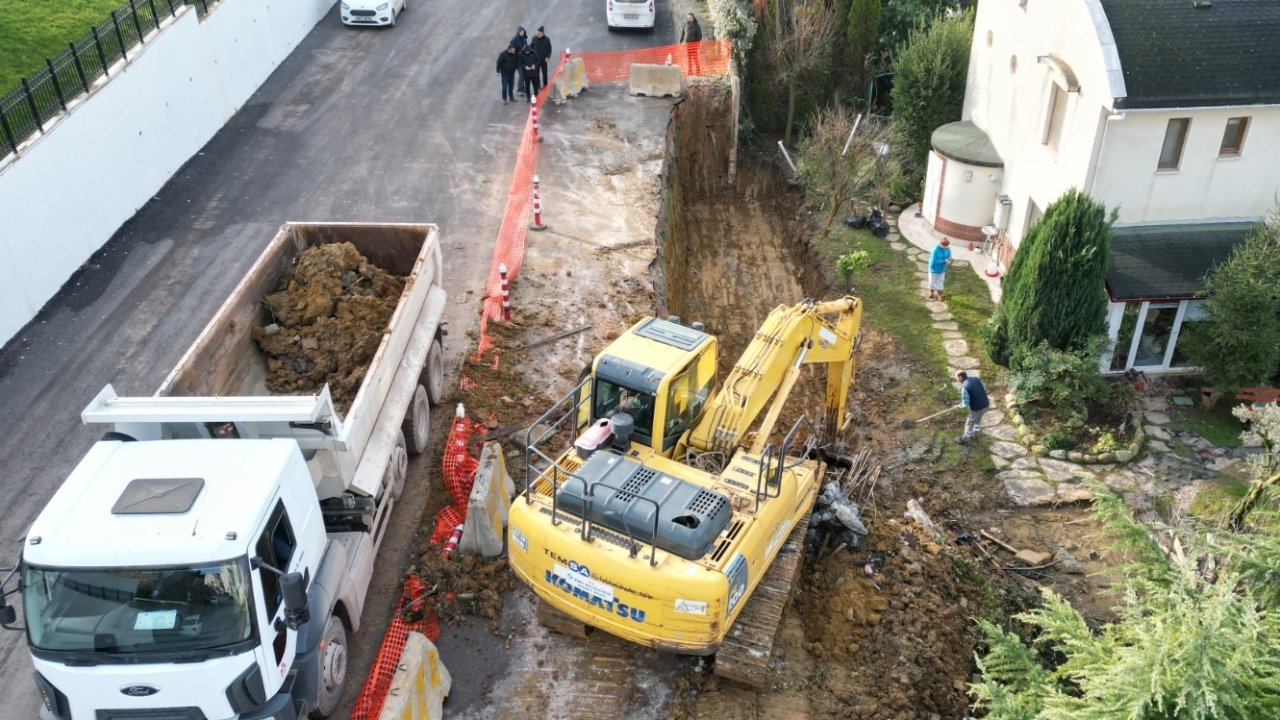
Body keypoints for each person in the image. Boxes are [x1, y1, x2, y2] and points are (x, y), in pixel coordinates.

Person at [955, 371, 990, 445]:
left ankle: (965, 439)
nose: (956, 380)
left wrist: (959, 406)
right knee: (978, 419)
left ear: (960, 377)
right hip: (986, 405)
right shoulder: (975, 379)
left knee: (969, 423)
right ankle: (975, 434)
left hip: (977, 408)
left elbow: (965, 403)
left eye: (956, 378)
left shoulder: (965, 387)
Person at [510, 26, 529, 96]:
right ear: (518, 32)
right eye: (521, 32)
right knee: (522, 75)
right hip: (517, 62)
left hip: (524, 60)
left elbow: (526, 47)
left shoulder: (524, 39)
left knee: (524, 74)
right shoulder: (514, 40)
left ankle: (522, 87)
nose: (522, 33)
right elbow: (511, 51)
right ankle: (519, 90)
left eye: (523, 32)